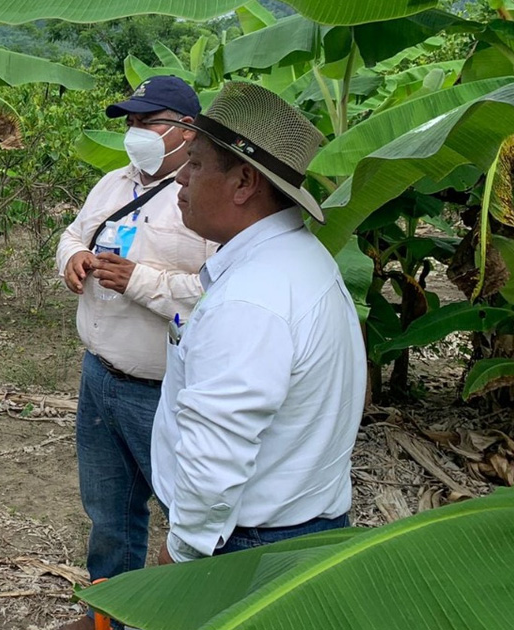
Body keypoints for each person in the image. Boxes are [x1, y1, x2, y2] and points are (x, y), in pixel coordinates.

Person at [147, 81, 366, 565]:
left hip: (246, 543)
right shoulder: (301, 262)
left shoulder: (251, 300)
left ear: (244, 183)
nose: (180, 178)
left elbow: (215, 458)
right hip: (297, 524)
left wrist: (179, 553)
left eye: (197, 163)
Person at [54, 76, 216, 630]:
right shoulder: (112, 184)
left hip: (162, 389)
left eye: (147, 122)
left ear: (185, 130)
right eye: (129, 122)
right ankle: (112, 613)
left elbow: (218, 294)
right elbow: (74, 234)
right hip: (99, 375)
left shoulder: (207, 201)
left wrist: (141, 281)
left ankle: (178, 614)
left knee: (185, 517)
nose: (134, 133)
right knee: (108, 513)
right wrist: (73, 259)